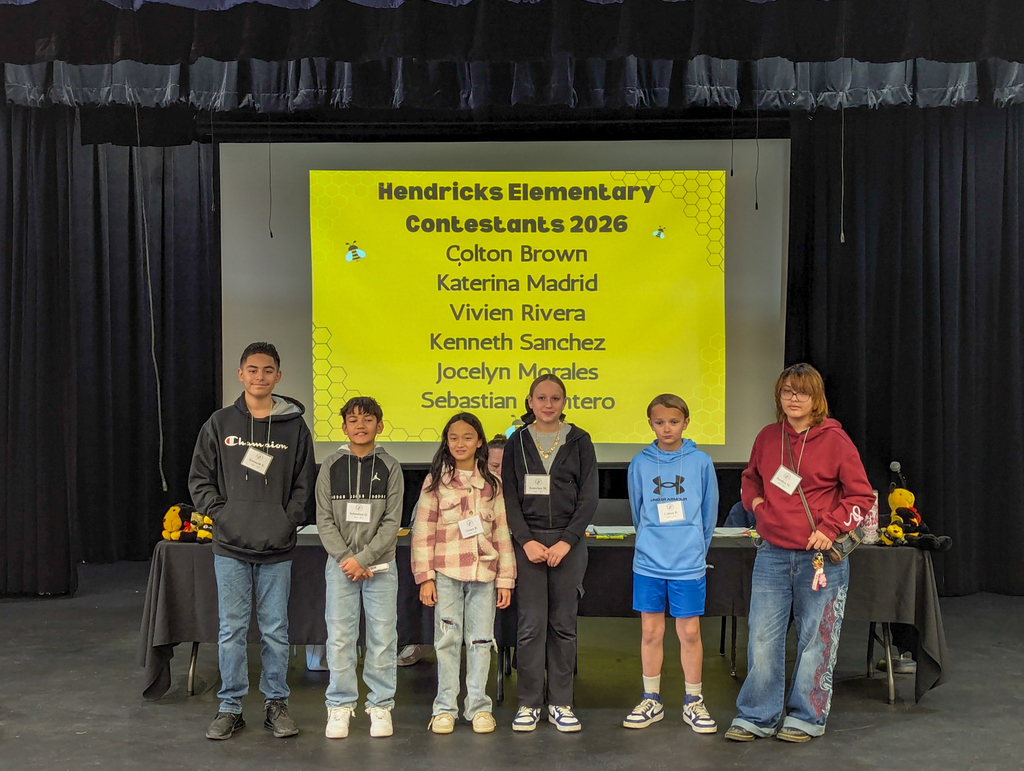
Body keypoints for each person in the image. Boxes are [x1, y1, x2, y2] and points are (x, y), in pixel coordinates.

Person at [725, 363, 874, 743]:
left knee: (816, 638)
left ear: (816, 399)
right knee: (762, 637)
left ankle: (807, 717)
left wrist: (829, 527)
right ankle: (757, 716)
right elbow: (750, 477)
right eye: (787, 391)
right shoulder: (767, 437)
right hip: (772, 553)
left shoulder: (836, 440)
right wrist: (756, 505)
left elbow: (861, 495)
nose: (793, 398)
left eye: (801, 393)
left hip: (819, 559)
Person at [188, 342, 316, 741]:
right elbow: (199, 479)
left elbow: (304, 484)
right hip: (229, 546)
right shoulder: (220, 423)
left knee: (276, 630)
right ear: (240, 374)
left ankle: (276, 704)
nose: (260, 377)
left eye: (268, 370)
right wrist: (222, 515)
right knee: (232, 630)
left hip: (276, 546)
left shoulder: (294, 426)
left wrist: (286, 520)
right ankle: (230, 707)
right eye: (252, 369)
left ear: (279, 376)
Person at [502, 374, 598, 733]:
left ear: (564, 402)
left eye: (555, 398)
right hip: (527, 544)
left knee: (563, 625)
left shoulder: (579, 441)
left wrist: (567, 541)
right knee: (529, 626)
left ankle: (561, 702)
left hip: (567, 545)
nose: (547, 404)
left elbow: (589, 497)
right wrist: (525, 540)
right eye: (540, 398)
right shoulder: (517, 442)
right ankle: (528, 703)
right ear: (529, 402)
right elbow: (508, 496)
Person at [411, 413, 515, 734]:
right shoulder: (435, 481)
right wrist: (425, 576)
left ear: (479, 441)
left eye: (468, 437)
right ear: (446, 441)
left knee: (481, 640)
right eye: (453, 437)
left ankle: (479, 707)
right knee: (447, 639)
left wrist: (506, 579)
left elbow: (502, 533)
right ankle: (444, 708)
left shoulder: (491, 486)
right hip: (446, 573)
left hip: (484, 575)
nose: (460, 443)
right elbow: (423, 531)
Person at [623, 394, 718, 734]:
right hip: (649, 562)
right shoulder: (640, 463)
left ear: (686, 422)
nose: (667, 428)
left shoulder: (701, 462)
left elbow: (709, 514)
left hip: (688, 563)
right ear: (650, 424)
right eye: (659, 422)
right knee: (651, 631)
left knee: (689, 632)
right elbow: (638, 512)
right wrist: (651, 541)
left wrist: (695, 548)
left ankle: (694, 700)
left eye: (674, 422)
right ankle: (652, 699)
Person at [316, 396, 404, 739]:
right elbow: (323, 520)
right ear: (344, 427)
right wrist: (346, 560)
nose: (360, 425)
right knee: (340, 637)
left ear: (379, 426)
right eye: (353, 420)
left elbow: (392, 520)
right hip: (340, 567)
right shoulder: (331, 465)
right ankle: (340, 706)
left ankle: (380, 706)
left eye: (368, 419)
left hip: (380, 567)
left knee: (382, 638)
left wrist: (364, 559)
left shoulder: (391, 466)